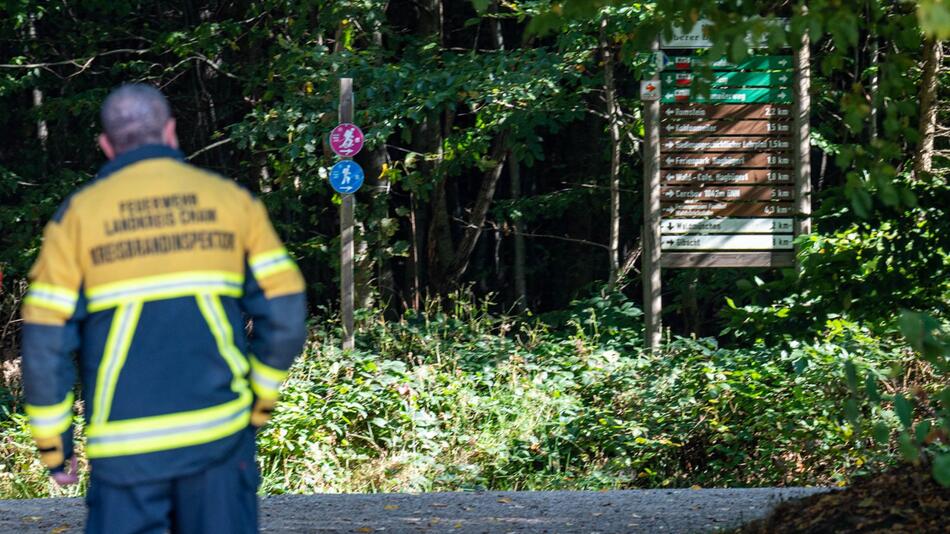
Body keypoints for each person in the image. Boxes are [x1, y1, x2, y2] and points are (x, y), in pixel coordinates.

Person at [21, 84, 307, 533]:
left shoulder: (76, 218)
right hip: (219, 441)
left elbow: (44, 345)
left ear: (106, 146)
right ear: (172, 133)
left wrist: (55, 448)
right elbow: (286, 314)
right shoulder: (231, 202)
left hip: (125, 456)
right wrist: (258, 403)